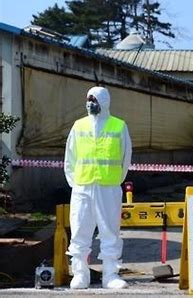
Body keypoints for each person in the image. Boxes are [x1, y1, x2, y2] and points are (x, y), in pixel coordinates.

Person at [64, 86, 132, 289]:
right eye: (88, 99)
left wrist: (114, 181)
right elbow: (70, 157)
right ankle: (80, 274)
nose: (90, 103)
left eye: (94, 100)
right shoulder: (78, 126)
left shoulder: (118, 126)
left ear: (104, 102)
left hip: (108, 187)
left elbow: (125, 159)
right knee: (79, 231)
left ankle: (110, 275)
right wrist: (75, 184)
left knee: (109, 231)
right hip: (82, 187)